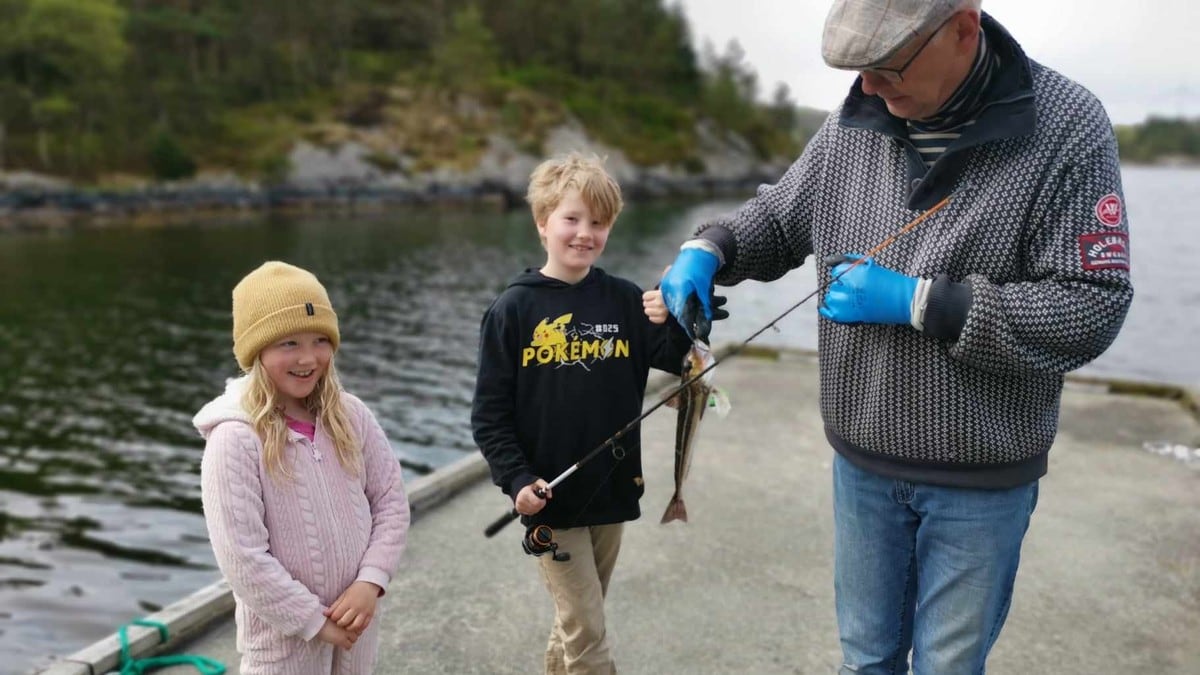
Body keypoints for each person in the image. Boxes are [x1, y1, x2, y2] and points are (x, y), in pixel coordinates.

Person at [657, 1, 1133, 673]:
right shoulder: (857, 117)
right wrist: (709, 245)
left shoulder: (1068, 126)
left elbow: (1090, 305)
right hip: (863, 466)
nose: (868, 87)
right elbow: (780, 216)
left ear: (964, 28)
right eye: (858, 69)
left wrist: (922, 303)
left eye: (885, 67)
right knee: (866, 660)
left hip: (981, 479)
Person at [472, 152, 692, 674]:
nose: (584, 233)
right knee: (588, 633)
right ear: (542, 222)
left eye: (599, 222)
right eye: (572, 218)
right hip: (549, 500)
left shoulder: (625, 300)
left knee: (576, 623)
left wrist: (683, 309)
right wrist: (516, 479)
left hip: (612, 492)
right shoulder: (513, 310)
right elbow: (489, 413)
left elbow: (677, 359)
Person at [195, 261, 410, 674]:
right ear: (256, 352)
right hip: (283, 649)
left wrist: (371, 580)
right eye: (288, 343)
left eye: (319, 340)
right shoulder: (235, 440)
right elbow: (243, 558)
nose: (309, 358)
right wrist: (314, 622)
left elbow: (390, 503)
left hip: (356, 630)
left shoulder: (352, 417)